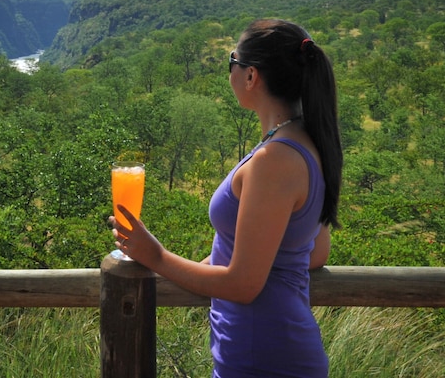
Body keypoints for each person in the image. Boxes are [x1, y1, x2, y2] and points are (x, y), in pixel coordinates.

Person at [110, 19, 343, 378]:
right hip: (270, 351)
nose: (229, 72)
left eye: (231, 61)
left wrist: (154, 255)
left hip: (263, 358)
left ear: (251, 76)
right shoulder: (307, 142)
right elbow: (315, 252)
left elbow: (243, 285)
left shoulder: (275, 161)